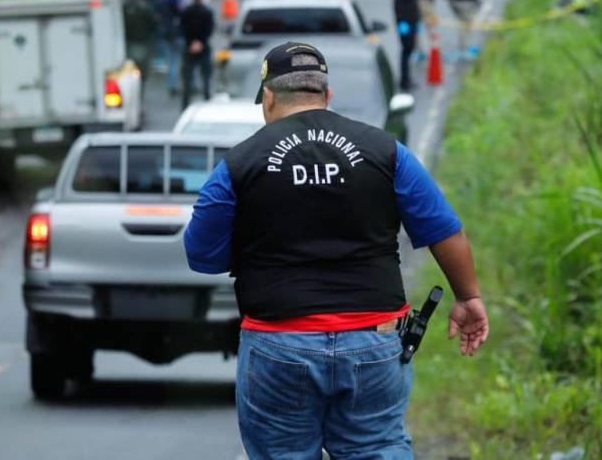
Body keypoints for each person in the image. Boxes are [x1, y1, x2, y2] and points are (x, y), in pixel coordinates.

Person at [183, 42, 489, 459]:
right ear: (327, 95)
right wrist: (468, 296)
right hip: (376, 336)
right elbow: (444, 230)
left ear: (269, 97)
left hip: (279, 341)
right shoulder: (386, 151)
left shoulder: (239, 164)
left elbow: (202, 255)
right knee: (378, 446)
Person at [392, 0, 439, 91]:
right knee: (406, 52)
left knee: (408, 51)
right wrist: (403, 24)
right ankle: (405, 81)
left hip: (411, 22)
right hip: (405, 23)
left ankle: (406, 79)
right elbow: (400, 8)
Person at [179, 0, 214, 110]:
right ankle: (207, 101)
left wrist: (191, 43)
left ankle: (185, 104)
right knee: (206, 77)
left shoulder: (186, 11)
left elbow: (182, 28)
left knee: (187, 78)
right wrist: (201, 42)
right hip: (203, 48)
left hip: (189, 48)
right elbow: (210, 29)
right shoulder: (207, 12)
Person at [122, 0, 160, 88]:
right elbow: (154, 25)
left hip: (128, 43)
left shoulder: (124, 7)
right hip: (143, 43)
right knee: (142, 73)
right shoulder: (146, 8)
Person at [155, 0, 183, 97]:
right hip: (175, 32)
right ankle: (174, 85)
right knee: (175, 60)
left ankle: (170, 83)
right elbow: (181, 12)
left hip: (162, 31)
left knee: (168, 58)